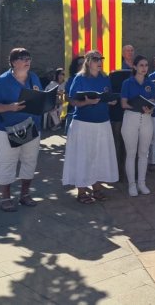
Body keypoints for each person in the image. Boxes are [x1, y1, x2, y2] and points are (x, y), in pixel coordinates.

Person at [0, 48, 43, 212]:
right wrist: (9, 107)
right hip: (5, 128)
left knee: (29, 160)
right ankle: (6, 197)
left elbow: (39, 97)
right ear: (13, 62)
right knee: (8, 161)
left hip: (30, 125)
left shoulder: (33, 77)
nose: (27, 61)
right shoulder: (2, 81)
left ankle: (25, 195)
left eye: (28, 58)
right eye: (22, 58)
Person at [64, 50, 120, 203]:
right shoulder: (79, 78)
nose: (99, 62)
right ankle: (81, 191)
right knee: (83, 157)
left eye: (101, 59)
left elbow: (107, 96)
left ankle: (97, 188)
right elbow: (73, 100)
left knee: (99, 156)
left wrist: (111, 101)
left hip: (102, 123)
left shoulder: (105, 78)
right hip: (83, 124)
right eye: (95, 59)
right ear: (88, 62)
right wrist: (86, 102)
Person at [120, 55, 155, 197]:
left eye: (146, 65)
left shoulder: (150, 83)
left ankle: (141, 183)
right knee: (131, 153)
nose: (144, 68)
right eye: (141, 65)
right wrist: (136, 107)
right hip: (131, 118)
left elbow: (153, 101)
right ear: (134, 67)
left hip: (146, 119)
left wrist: (150, 109)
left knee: (143, 153)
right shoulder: (127, 83)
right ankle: (132, 184)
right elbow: (123, 104)